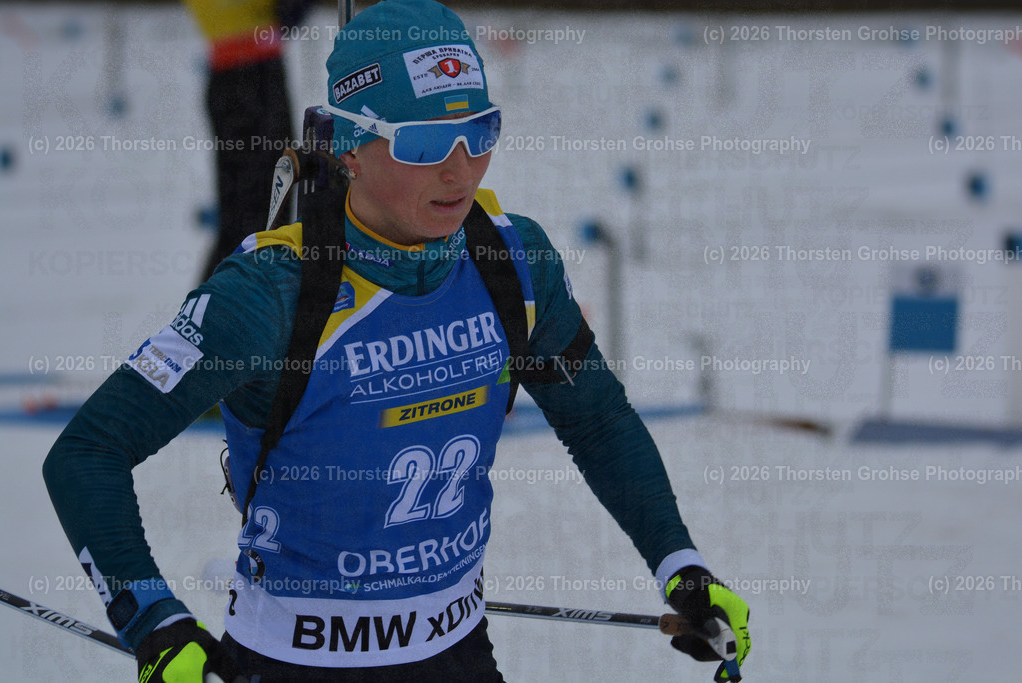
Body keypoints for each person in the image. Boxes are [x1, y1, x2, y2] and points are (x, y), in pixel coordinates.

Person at [43, 1, 751, 681]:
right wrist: (153, 622)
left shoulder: (515, 263)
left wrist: (680, 565)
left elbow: (596, 419)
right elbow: (88, 451)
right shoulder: (271, 292)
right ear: (349, 146)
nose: (459, 170)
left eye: (479, 132)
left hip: (457, 655)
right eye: (423, 142)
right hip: (293, 664)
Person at [182, 0, 309, 283]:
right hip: (253, 77)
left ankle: (213, 302)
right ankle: (223, 301)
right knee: (261, 215)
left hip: (239, 72)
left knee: (252, 214)